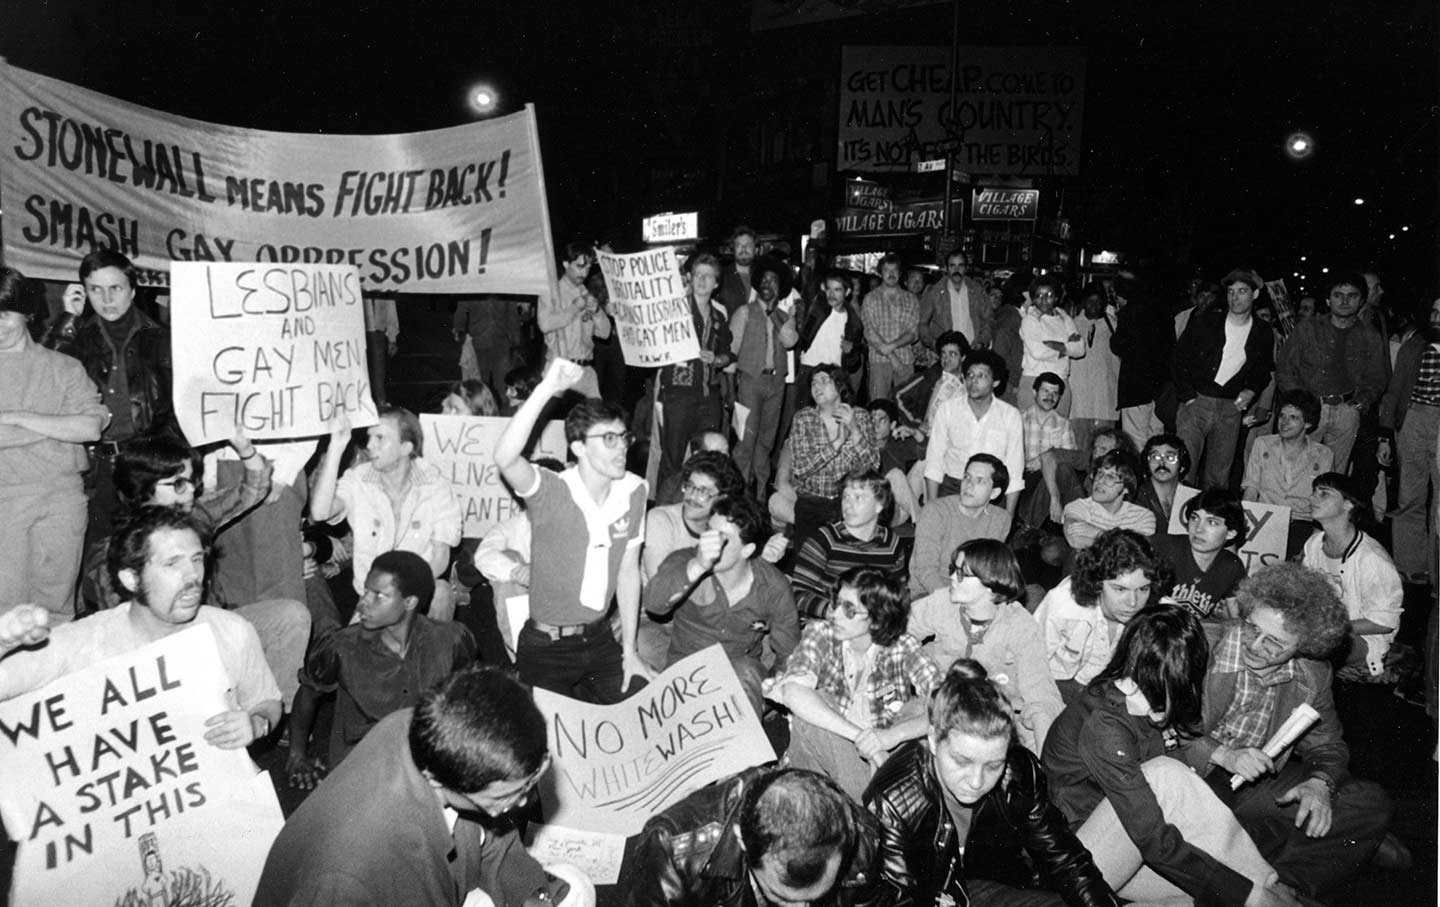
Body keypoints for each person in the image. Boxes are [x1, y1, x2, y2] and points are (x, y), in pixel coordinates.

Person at [1043, 604, 1308, 907]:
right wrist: (1252, 894)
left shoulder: (1145, 703)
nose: (1159, 710)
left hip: (1116, 848)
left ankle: (1264, 888)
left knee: (1210, 895)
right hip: (1076, 863)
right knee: (1165, 775)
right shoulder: (1104, 725)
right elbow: (1152, 836)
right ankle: (1264, 887)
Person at [255, 666, 582, 907]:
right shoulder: (353, 868)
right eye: (508, 795)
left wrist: (530, 893)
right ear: (439, 780)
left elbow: (488, 833)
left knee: (575, 889)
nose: (523, 802)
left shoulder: (435, 731)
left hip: (439, 877)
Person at [1176, 563, 1406, 897]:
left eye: (1276, 644)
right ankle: (1331, 846)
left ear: (1303, 647)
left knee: (1370, 802)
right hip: (1193, 777)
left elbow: (1327, 747)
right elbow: (1162, 729)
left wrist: (1318, 783)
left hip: (1257, 784)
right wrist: (1223, 754)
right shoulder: (1199, 644)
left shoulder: (1312, 673)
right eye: (1253, 629)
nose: (1256, 647)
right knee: (1187, 842)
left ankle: (1284, 885)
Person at [0, 506, 282, 747]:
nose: (193, 576)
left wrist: (258, 725)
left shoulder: (232, 630)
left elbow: (268, 701)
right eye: (172, 564)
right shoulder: (84, 641)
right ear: (131, 580)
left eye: (197, 560)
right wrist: (3, 641)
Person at [83, 432, 311, 709]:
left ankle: (267, 713)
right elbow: (119, 641)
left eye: (192, 481)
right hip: (160, 658)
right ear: (143, 487)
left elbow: (252, 490)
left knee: (292, 616)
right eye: (177, 484)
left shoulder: (194, 517)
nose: (191, 490)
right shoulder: (113, 554)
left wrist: (244, 447)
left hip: (210, 629)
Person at [865, 659, 1118, 907]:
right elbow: (890, 898)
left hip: (991, 887)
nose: (976, 782)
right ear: (933, 740)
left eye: (993, 765)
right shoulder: (891, 800)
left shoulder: (1018, 771)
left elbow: (1066, 859)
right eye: (962, 761)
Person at [494, 358, 650, 702]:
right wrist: (546, 389)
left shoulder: (635, 490)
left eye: (624, 436)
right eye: (608, 439)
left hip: (600, 639)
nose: (622, 446)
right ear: (578, 448)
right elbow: (506, 458)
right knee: (546, 746)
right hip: (547, 647)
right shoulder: (551, 491)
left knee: (639, 709)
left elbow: (627, 571)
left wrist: (630, 651)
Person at [286, 550, 477, 789]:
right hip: (361, 761)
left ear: (409, 602)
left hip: (422, 755)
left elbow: (466, 698)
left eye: (379, 595)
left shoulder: (451, 640)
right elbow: (308, 695)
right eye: (366, 590)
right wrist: (296, 756)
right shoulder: (341, 648)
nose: (363, 602)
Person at [766, 568, 940, 799]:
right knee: (816, 707)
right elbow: (793, 691)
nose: (834, 614)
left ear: (878, 617)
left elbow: (948, 704)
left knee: (921, 708)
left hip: (881, 757)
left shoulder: (903, 647)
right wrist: (863, 739)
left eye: (849, 609)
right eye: (836, 603)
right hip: (828, 757)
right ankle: (864, 807)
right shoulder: (821, 633)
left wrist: (890, 737)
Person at [0, 266, 108, 624]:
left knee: (57, 611)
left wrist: (16, 416)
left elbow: (91, 427)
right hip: (5, 499)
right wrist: (59, 427)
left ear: (27, 312)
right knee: (7, 612)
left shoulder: (65, 367)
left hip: (63, 499)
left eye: (4, 314)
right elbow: (78, 426)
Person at [621, 766, 881, 907]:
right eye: (781, 897)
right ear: (742, 839)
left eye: (816, 898)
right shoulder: (673, 849)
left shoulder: (860, 835)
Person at [55, 249, 176, 543]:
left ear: (133, 291)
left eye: (115, 289)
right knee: (94, 553)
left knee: (146, 551)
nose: (106, 300)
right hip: (91, 467)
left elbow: (179, 411)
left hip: (143, 464)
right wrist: (67, 320)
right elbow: (44, 377)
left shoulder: (163, 338)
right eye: (96, 289)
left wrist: (159, 462)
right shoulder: (77, 336)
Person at [645, 495, 800, 715]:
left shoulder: (772, 586)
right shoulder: (685, 561)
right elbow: (654, 604)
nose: (709, 542)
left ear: (747, 550)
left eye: (722, 538)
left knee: (747, 671)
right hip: (684, 675)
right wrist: (697, 566)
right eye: (709, 531)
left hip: (736, 676)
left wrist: (770, 694)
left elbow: (789, 654)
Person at [908, 541, 1064, 754]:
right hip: (938, 704)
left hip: (996, 716)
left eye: (962, 574)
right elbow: (897, 632)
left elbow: (1041, 698)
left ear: (991, 583)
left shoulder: (1021, 626)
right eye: (953, 570)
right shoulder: (943, 602)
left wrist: (1044, 762)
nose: (952, 578)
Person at [311, 404, 463, 621]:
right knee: (349, 650)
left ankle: (431, 652)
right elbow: (319, 513)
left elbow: (440, 559)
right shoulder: (357, 479)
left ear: (405, 448)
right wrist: (336, 446)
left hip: (416, 595)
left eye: (380, 438)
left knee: (441, 592)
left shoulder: (436, 486)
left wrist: (401, 594)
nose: (370, 445)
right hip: (371, 598)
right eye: (370, 437)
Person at [1173, 268, 1275, 489]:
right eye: (1231, 291)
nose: (1235, 297)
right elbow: (1178, 358)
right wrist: (1188, 396)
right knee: (1183, 470)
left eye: (1242, 291)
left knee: (1219, 477)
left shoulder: (1263, 331)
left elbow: (1263, 369)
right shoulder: (1206, 321)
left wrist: (1250, 390)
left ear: (1255, 295)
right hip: (1197, 401)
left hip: (1230, 408)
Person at [1275, 271, 1388, 472]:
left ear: (1361, 301)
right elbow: (1284, 369)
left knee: (1335, 473)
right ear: (1328, 300)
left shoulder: (1370, 336)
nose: (1344, 301)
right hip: (1309, 408)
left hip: (1346, 410)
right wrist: (1300, 402)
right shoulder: (1307, 329)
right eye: (1338, 295)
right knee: (1295, 468)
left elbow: (1378, 377)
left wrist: (1362, 401)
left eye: (1352, 296)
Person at [1033, 528, 1164, 701]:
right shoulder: (1063, 604)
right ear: (1097, 583)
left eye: (1143, 589)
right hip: (1055, 684)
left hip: (1107, 687)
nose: (1133, 602)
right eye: (1120, 589)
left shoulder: (1157, 608)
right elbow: (1031, 663)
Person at [1301, 472, 1403, 680]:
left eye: (1324, 494)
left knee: (1305, 642)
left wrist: (1332, 626)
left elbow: (1385, 622)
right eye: (1314, 492)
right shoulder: (1314, 544)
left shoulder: (1371, 559)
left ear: (1348, 505)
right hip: (1326, 628)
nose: (1312, 498)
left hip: (1363, 638)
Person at [1378, 295, 1440, 583]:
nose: (1437, 318)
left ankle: (1436, 568)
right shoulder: (1414, 346)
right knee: (1409, 495)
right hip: (1414, 419)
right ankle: (1410, 566)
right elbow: (1394, 390)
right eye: (1434, 311)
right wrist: (1386, 434)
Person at [657, 253, 733, 485]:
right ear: (689, 277)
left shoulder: (719, 316)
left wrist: (717, 360)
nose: (701, 280)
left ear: (716, 283)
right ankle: (664, 513)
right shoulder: (672, 310)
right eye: (698, 274)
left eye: (708, 276)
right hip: (678, 395)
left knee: (708, 461)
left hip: (709, 397)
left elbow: (728, 353)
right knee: (673, 459)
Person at [790, 470, 907, 620]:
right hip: (827, 625)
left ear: (879, 505)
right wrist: (834, 611)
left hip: (872, 627)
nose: (848, 505)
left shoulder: (892, 544)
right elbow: (797, 593)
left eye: (858, 498)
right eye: (845, 497)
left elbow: (898, 594)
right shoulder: (824, 540)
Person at [786, 363, 880, 548]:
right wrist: (836, 443)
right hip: (812, 503)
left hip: (850, 502)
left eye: (823, 381)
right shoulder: (804, 418)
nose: (816, 386)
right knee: (807, 567)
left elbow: (874, 466)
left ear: (839, 386)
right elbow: (800, 469)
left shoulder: (859, 416)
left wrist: (854, 429)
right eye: (813, 383)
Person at [924, 348, 1025, 515]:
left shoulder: (1010, 416)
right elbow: (934, 463)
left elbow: (1015, 471)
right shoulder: (948, 410)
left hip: (992, 491)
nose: (973, 381)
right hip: (952, 487)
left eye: (981, 376)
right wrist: (932, 510)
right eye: (970, 375)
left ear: (995, 382)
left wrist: (1008, 518)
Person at [730, 257, 799, 494]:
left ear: (780, 289)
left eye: (774, 281)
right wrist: (730, 390)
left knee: (766, 442)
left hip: (776, 383)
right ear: (758, 284)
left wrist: (790, 319)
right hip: (749, 381)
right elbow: (731, 353)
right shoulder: (744, 312)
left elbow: (791, 342)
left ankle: (759, 494)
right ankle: (739, 493)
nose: (769, 284)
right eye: (765, 279)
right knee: (745, 442)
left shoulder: (784, 317)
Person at [1242, 389, 1334, 557]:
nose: (1284, 422)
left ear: (1307, 423)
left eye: (1293, 418)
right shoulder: (1262, 444)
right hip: (1264, 521)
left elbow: (1325, 502)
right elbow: (1251, 489)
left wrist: (1314, 541)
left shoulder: (1323, 455)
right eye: (1282, 416)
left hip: (1301, 524)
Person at [909, 453, 1012, 598]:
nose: (969, 485)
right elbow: (925, 571)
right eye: (966, 477)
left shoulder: (1000, 519)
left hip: (974, 594)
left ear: (994, 493)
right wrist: (955, 601)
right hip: (930, 593)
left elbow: (988, 572)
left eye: (979, 480)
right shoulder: (936, 511)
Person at [644, 451, 746, 581]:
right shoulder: (661, 519)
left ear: (723, 499)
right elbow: (659, 584)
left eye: (703, 492)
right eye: (690, 486)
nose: (692, 496)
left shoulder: (727, 527)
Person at [1155, 488, 1248, 621]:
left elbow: (1237, 621)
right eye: (1194, 518)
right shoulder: (1164, 546)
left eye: (1212, 522)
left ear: (1231, 533)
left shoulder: (1231, 566)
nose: (1198, 528)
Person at [1111, 274, 1176, 451]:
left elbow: (1118, 346)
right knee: (1156, 434)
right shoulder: (1163, 312)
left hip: (1135, 387)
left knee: (1135, 438)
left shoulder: (1129, 312)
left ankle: (1139, 476)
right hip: (1159, 387)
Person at [539, 242, 611, 398]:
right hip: (558, 369)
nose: (584, 273)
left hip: (585, 371)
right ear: (566, 264)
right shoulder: (551, 292)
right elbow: (545, 325)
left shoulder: (588, 293)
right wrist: (573, 308)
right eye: (580, 266)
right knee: (553, 421)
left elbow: (605, 334)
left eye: (588, 268)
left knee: (594, 420)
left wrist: (597, 312)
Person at [1061, 450, 1157, 550]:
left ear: (1126, 488)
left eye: (1110, 477)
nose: (1100, 481)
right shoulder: (1079, 506)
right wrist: (1122, 545)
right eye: (1100, 473)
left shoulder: (1143, 516)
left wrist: (1098, 533)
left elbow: (1141, 552)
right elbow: (1075, 541)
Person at [1020, 371, 1080, 526]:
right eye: (1045, 391)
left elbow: (1069, 459)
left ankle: (1030, 527)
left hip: (1053, 478)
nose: (1050, 396)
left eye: (1055, 393)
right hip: (1024, 477)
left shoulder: (1063, 424)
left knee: (1063, 470)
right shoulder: (1018, 420)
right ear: (1034, 392)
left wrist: (1042, 460)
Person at [1017, 275, 1084, 414]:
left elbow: (1079, 349)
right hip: (1033, 380)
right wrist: (1066, 348)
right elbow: (1037, 352)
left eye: (1049, 295)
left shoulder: (1065, 318)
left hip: (1061, 380)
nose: (1044, 300)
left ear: (1056, 297)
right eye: (1039, 295)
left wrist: (1056, 345)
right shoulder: (1029, 320)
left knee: (1059, 431)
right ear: (1033, 298)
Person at [1069, 283, 1121, 456]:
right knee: (1080, 449)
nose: (1093, 306)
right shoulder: (1072, 325)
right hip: (1079, 400)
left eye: (1098, 302)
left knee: (1104, 448)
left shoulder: (1114, 325)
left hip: (1105, 398)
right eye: (1089, 302)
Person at [861, 253, 921, 400]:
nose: (891, 274)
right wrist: (893, 357)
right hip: (879, 362)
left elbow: (913, 334)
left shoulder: (911, 299)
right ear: (881, 273)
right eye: (887, 270)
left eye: (894, 270)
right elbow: (870, 332)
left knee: (907, 407)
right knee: (879, 406)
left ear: (900, 274)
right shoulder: (870, 299)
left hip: (906, 361)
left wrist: (892, 346)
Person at [798, 269, 865, 394]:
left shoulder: (853, 323)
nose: (831, 294)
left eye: (837, 290)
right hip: (808, 368)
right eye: (829, 289)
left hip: (834, 374)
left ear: (847, 292)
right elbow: (809, 287)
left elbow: (853, 363)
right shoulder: (816, 309)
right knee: (804, 411)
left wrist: (851, 350)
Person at [895, 330, 968, 436]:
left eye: (952, 354)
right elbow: (898, 395)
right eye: (943, 354)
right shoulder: (930, 377)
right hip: (927, 438)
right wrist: (916, 423)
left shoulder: (970, 382)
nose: (946, 359)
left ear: (963, 357)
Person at [453, 293, 525, 398]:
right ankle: (480, 410)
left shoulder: (505, 287)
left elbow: (512, 314)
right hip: (477, 342)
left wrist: (516, 341)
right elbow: (461, 311)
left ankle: (503, 409)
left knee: (503, 382)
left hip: (501, 342)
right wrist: (459, 330)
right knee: (479, 384)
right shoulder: (471, 288)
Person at [918, 249, 991, 350]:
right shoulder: (934, 293)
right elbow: (922, 323)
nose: (956, 270)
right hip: (946, 353)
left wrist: (982, 342)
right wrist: (934, 344)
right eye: (952, 266)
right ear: (946, 268)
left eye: (960, 265)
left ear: (966, 268)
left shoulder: (978, 291)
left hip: (973, 350)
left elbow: (988, 320)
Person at [1132, 432, 1193, 533]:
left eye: (1170, 458)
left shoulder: (1192, 497)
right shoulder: (1136, 496)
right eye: (1155, 457)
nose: (1161, 463)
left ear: (1181, 466)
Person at [362, 293, 399, 406]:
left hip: (378, 333)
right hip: (360, 332)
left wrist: (392, 338)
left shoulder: (383, 286)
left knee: (378, 373)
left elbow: (391, 311)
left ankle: (380, 404)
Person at [718, 224, 758, 317]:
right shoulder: (722, 277)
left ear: (755, 249)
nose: (743, 249)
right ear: (733, 249)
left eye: (748, 245)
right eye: (739, 245)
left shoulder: (764, 276)